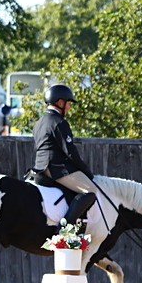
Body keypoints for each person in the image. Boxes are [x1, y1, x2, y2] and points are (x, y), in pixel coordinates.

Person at [31, 84, 97, 227]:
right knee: (91, 190)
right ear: (60, 102)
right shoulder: (59, 122)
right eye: (68, 104)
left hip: (39, 167)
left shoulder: (39, 122)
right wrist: (86, 172)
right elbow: (70, 152)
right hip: (55, 168)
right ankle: (65, 227)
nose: (69, 107)